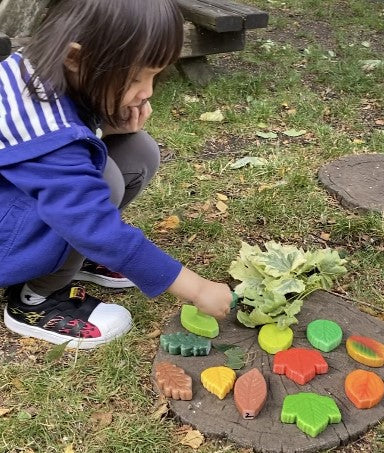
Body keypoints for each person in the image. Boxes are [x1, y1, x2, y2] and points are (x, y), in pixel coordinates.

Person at [0, 0, 232, 349]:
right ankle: (35, 298)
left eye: (155, 75)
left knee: (138, 150)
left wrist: (107, 127)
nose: (148, 91)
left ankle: (68, 258)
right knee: (101, 179)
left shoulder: (44, 69)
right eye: (137, 77)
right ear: (77, 57)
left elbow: (65, 150)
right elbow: (89, 217)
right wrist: (196, 288)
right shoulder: (41, 127)